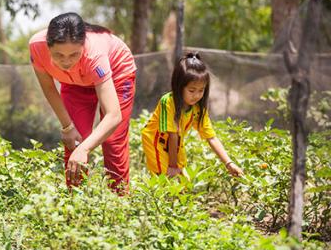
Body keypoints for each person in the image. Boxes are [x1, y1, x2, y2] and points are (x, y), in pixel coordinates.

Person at [29, 12, 137, 193]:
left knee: (111, 141)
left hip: (117, 73)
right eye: (58, 55)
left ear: (83, 45)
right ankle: (75, 204)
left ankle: (120, 202)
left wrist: (85, 150)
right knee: (73, 142)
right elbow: (48, 88)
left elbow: (113, 115)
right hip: (75, 81)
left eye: (73, 54)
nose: (66, 61)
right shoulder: (36, 47)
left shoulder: (95, 55)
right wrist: (67, 127)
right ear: (48, 46)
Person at [141, 52, 244, 178]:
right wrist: (173, 167)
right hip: (156, 143)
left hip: (175, 144)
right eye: (191, 90)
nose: (197, 95)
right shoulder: (168, 102)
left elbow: (211, 137)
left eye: (201, 90)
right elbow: (172, 135)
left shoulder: (198, 108)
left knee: (184, 186)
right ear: (179, 87)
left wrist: (229, 163)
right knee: (165, 180)